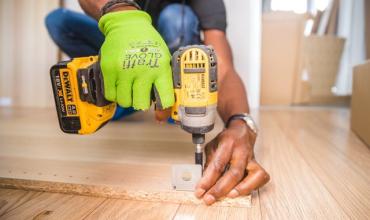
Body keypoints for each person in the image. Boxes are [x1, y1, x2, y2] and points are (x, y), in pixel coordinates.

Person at [45, 0, 270, 205]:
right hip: (126, 48)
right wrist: (122, 17)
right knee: (59, 21)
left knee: (176, 17)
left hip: (171, 64)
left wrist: (240, 121)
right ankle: (124, 93)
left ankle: (167, 98)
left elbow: (222, 67)